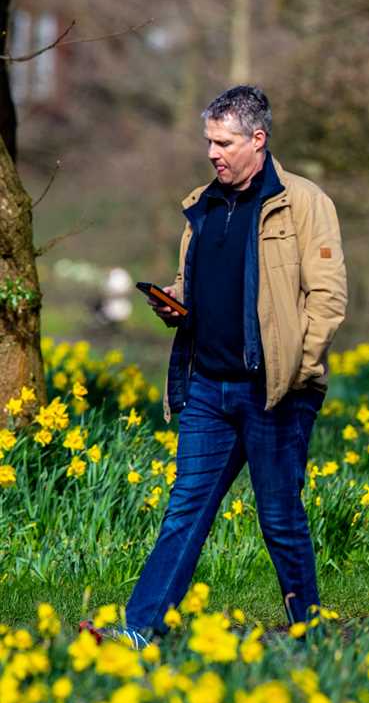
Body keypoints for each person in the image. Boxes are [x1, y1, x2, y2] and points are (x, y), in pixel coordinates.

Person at [94, 86, 347, 646]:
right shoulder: (201, 205)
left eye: (224, 142)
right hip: (207, 387)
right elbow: (201, 283)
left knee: (279, 516)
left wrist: (297, 371)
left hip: (274, 391)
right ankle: (139, 630)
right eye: (209, 141)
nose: (213, 152)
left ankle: (311, 632)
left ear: (258, 139)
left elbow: (327, 299)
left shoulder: (305, 203)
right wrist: (176, 300)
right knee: (185, 510)